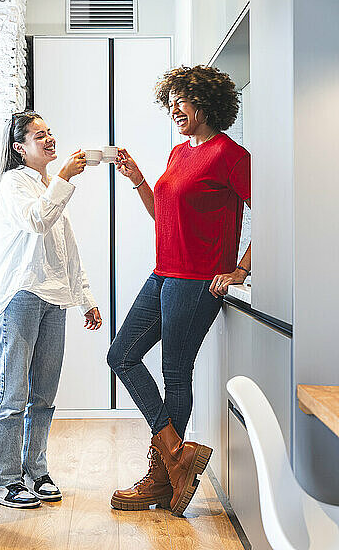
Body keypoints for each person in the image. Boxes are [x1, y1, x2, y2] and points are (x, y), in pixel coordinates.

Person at [107, 66, 251, 516]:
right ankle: (175, 456)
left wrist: (241, 269)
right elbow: (165, 217)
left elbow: (277, 213)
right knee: (121, 355)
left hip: (198, 279)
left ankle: (160, 478)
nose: (174, 106)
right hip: (165, 273)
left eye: (182, 99)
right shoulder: (177, 153)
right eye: (170, 99)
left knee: (175, 373)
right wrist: (137, 180)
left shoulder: (231, 155)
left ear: (206, 104)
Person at [0, 110, 102, 509]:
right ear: (20, 148)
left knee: (44, 395)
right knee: (12, 393)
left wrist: (85, 297)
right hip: (20, 296)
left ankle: (36, 471)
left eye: (50, 132)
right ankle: (2, 480)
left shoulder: (47, 184)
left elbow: (66, 250)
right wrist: (66, 178)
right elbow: (37, 222)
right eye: (39, 136)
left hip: (54, 298)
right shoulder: (14, 184)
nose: (50, 139)